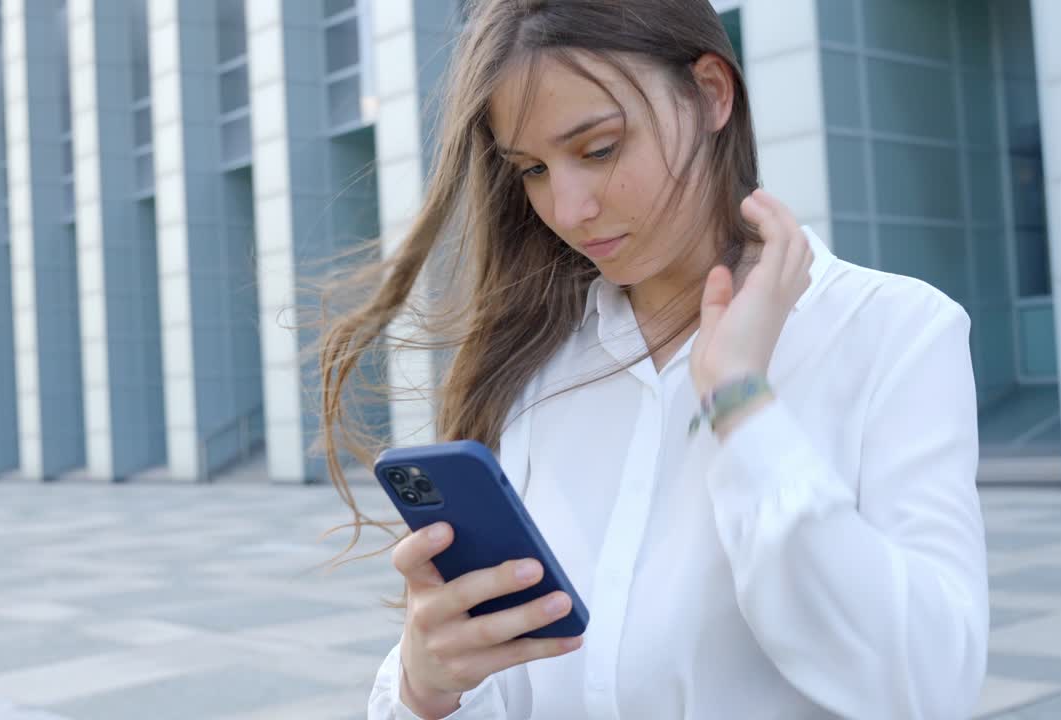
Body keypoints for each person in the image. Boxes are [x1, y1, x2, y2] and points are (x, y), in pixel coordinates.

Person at [317, 1, 989, 718]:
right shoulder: (534, 361)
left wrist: (741, 407)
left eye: (599, 148)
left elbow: (929, 684)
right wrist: (427, 687)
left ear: (710, 94)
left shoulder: (893, 332)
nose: (568, 208)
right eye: (534, 169)